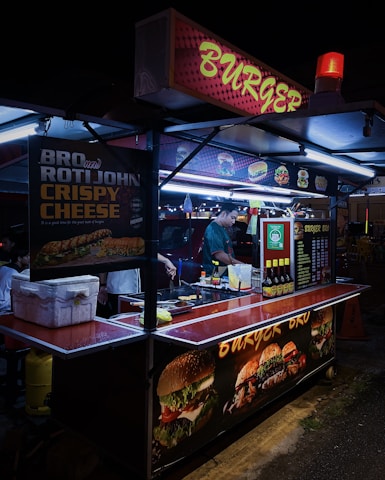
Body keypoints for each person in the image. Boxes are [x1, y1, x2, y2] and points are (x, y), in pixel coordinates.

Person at [96, 253, 177, 318]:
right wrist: (103, 285)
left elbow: (146, 249)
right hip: (119, 290)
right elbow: (103, 260)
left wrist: (166, 261)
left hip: (132, 289)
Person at [202, 202, 245, 276]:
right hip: (215, 276)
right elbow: (219, 255)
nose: (233, 222)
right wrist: (242, 266)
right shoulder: (213, 230)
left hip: (223, 275)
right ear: (223, 214)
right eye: (232, 218)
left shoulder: (221, 229)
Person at [0, 246, 30, 312]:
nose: (29, 258)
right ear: (19, 258)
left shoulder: (2, 267)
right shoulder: (15, 274)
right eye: (27, 256)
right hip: (5, 306)